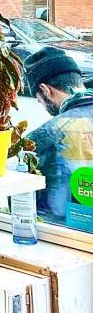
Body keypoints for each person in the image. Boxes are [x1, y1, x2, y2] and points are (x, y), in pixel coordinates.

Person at [24, 47, 93, 224]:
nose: (41, 105)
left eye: (39, 100)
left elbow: (28, 207)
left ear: (45, 90)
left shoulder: (42, 138)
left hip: (68, 234)